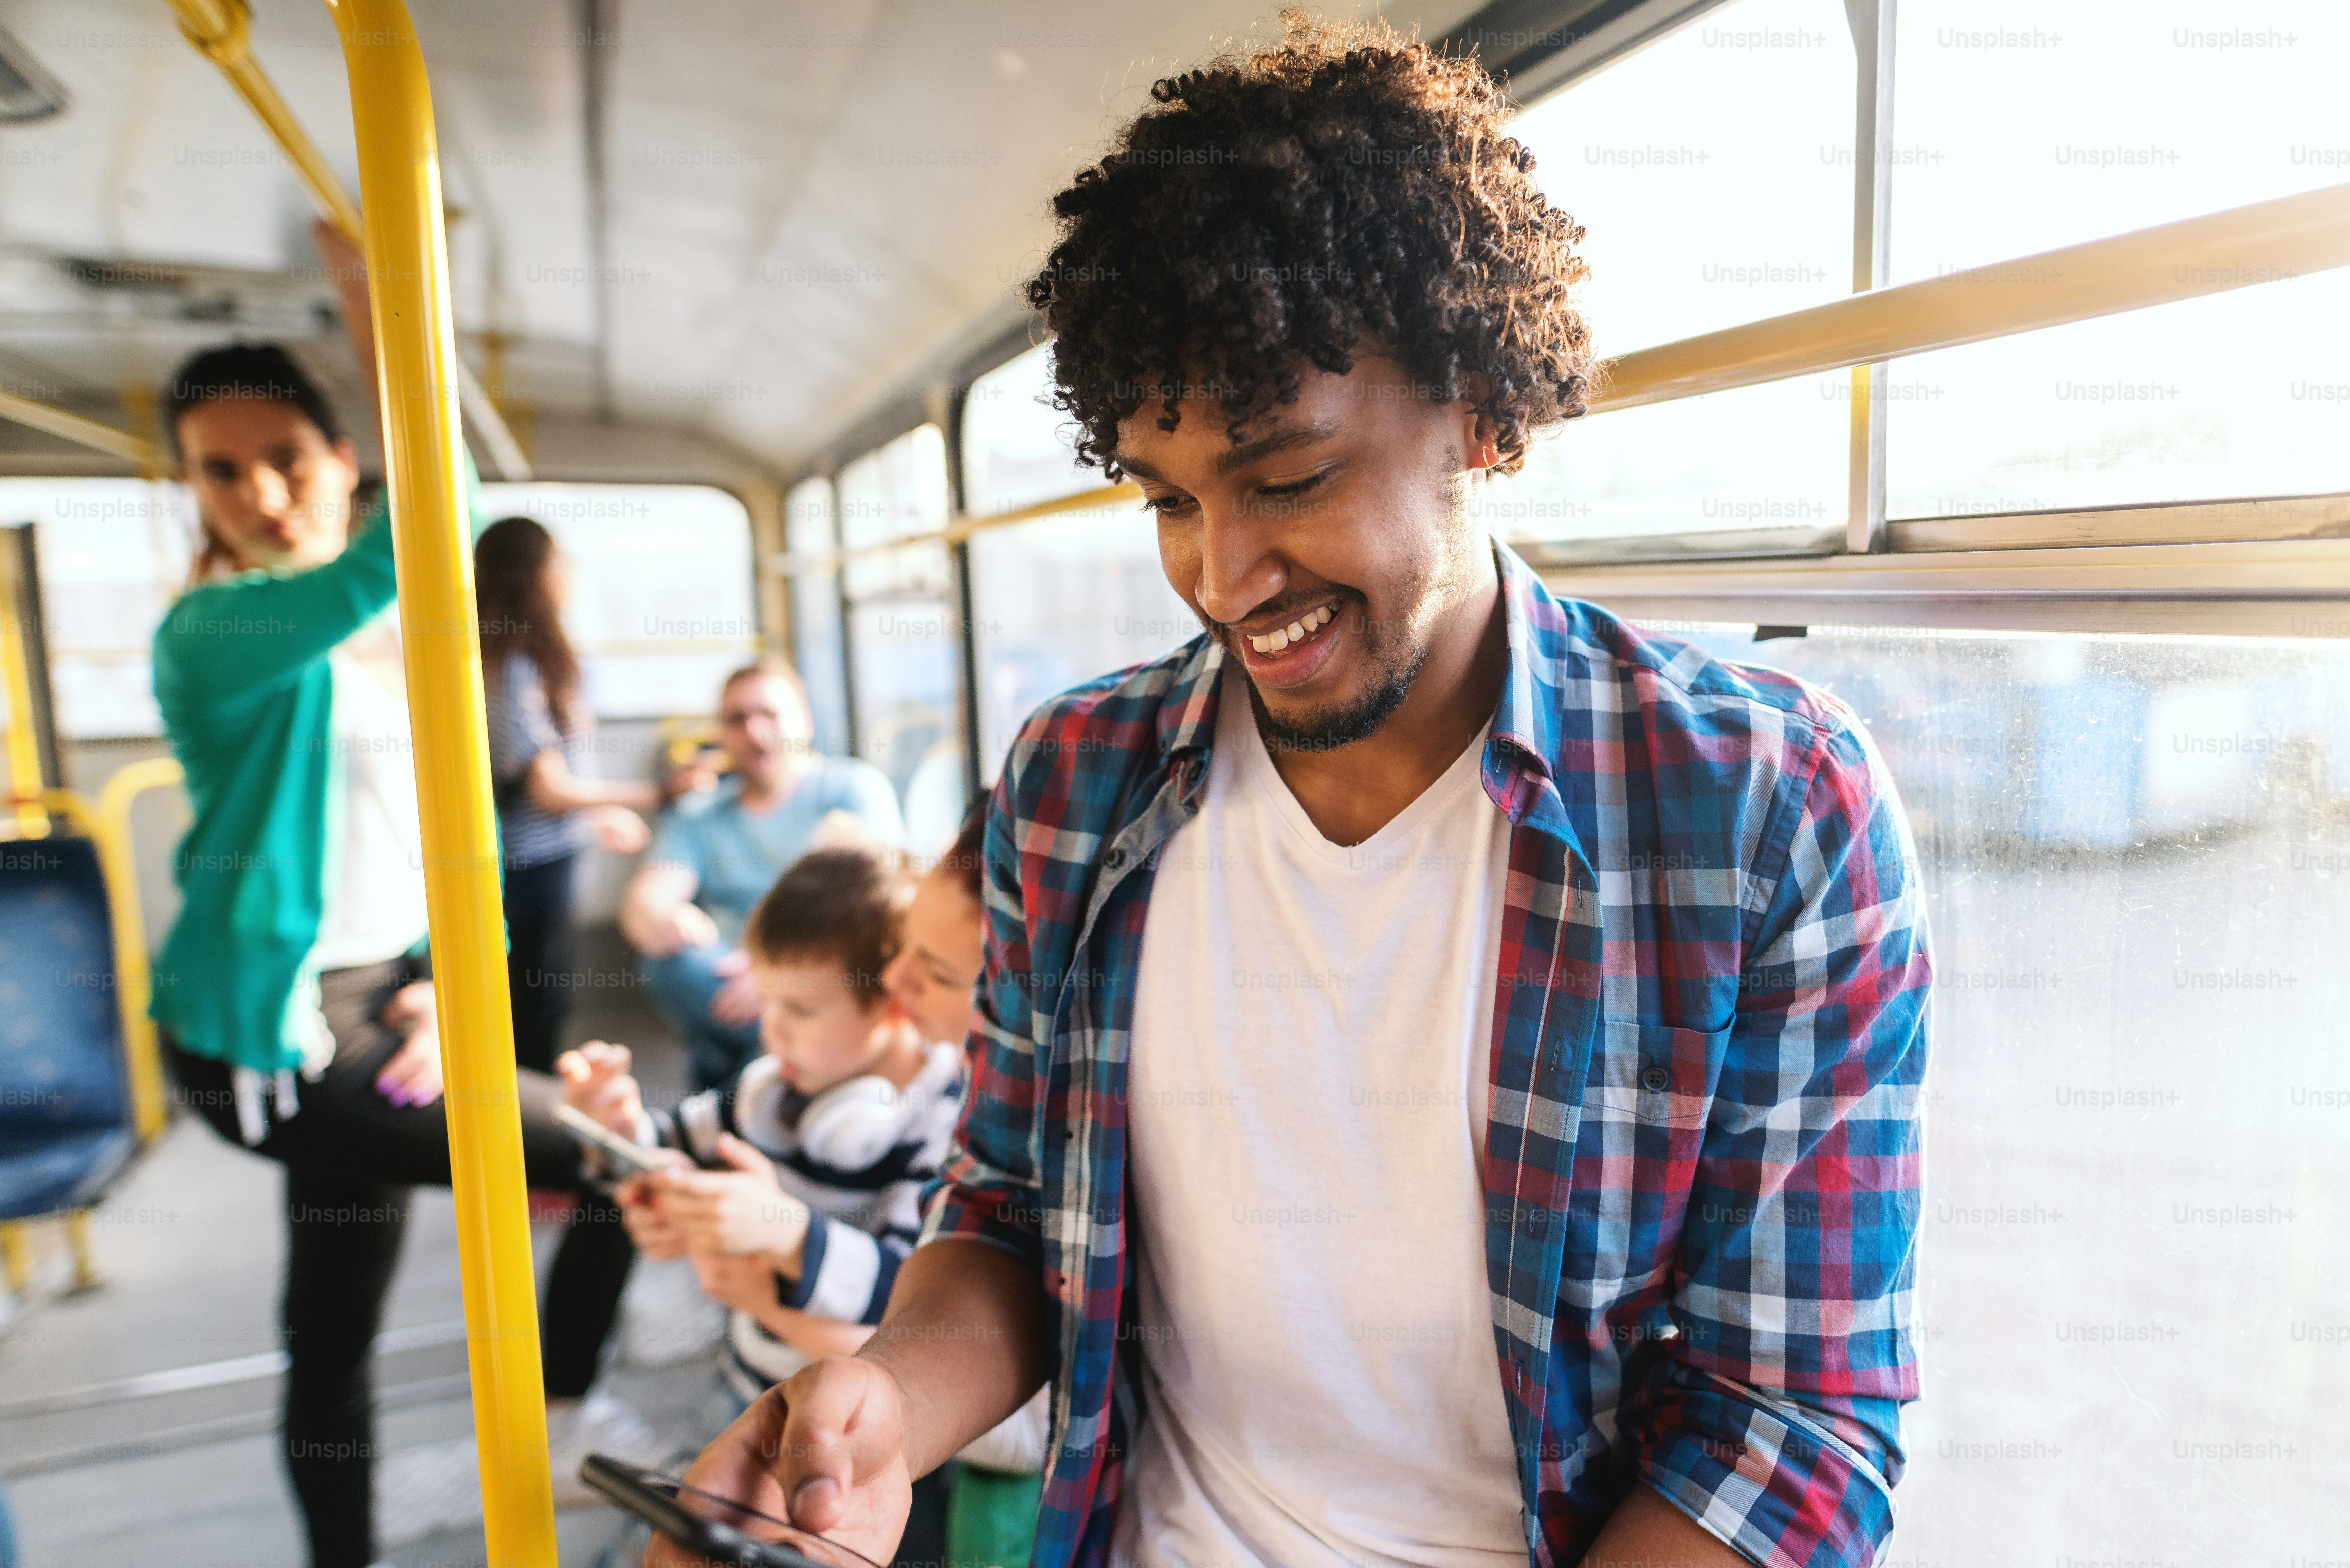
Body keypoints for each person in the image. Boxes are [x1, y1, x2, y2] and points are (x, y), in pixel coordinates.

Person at [659, 17, 1931, 1568]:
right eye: (1169, 499)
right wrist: (883, 1403)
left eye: (1286, 476)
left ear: (1477, 408)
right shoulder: (1072, 783)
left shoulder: (1761, 808)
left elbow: (1791, 1422)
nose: (1223, 576)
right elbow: (1004, 1214)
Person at [149, 223, 651, 1568]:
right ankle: (558, 1407)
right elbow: (430, 529)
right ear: (191, 490)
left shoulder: (381, 655)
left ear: (335, 459)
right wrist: (381, 309)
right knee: (619, 1158)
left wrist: (442, 984)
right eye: (222, 470)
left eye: (287, 457)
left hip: (377, 997)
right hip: (265, 1029)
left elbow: (435, 846)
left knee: (333, 1324)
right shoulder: (214, 631)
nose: (260, 490)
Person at [561, 839, 959, 1565]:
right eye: (766, 999)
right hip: (749, 1384)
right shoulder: (769, 1088)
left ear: (896, 1002)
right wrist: (617, 1129)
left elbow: (907, 1289)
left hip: (872, 1432)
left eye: (801, 1008)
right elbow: (665, 1140)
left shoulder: (937, 1123)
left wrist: (780, 1229)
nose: (771, 1032)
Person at [476, 515, 697, 1071]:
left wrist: (593, 816)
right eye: (559, 561)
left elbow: (536, 779)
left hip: (547, 855)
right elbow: (548, 790)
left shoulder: (524, 658)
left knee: (542, 1001)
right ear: (535, 575)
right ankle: (530, 1137)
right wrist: (657, 793)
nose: (569, 573)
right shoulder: (517, 665)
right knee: (536, 1007)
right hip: (530, 869)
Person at [620, 658, 904, 1088]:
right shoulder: (700, 814)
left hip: (817, 971)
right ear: (722, 734)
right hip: (724, 977)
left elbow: (874, 900)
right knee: (666, 963)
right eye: (737, 719)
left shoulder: (851, 789)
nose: (754, 731)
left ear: (804, 720)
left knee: (824, 989)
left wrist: (773, 976)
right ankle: (769, 1072)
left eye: (769, 714)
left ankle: (747, 1080)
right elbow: (644, 905)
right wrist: (667, 919)